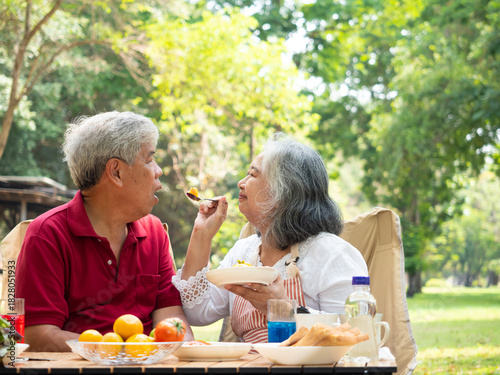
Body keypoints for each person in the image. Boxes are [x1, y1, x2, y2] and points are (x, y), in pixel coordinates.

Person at [15, 111, 194, 351]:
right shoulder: (48, 234)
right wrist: (118, 354)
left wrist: (186, 350)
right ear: (116, 172)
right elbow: (36, 334)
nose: (159, 170)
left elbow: (171, 314)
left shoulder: (154, 232)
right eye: (150, 159)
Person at [173, 134, 368, 343]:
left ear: (283, 192)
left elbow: (352, 337)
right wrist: (201, 234)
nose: (241, 183)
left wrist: (282, 307)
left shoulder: (333, 255)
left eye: (252, 175)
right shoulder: (244, 252)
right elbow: (197, 312)